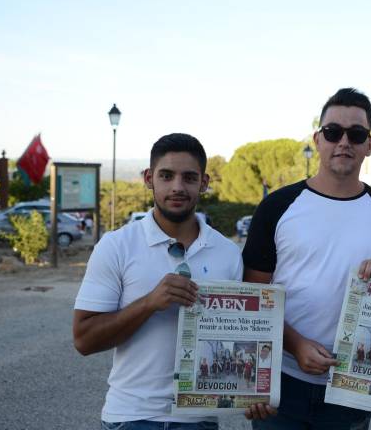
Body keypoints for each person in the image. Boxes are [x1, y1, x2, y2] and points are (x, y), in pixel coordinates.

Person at [242, 87, 371, 428]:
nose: (343, 142)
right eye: (333, 132)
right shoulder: (277, 206)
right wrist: (297, 345)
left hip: (349, 388)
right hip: (282, 381)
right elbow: (253, 296)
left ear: (369, 145)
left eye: (356, 134)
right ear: (318, 139)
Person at [72, 133, 244, 429]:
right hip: (131, 417)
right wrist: (149, 303)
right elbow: (84, 340)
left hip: (199, 419)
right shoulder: (116, 246)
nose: (177, 187)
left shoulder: (229, 254)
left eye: (189, 178)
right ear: (149, 178)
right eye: (167, 176)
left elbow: (240, 341)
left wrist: (253, 393)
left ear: (204, 183)